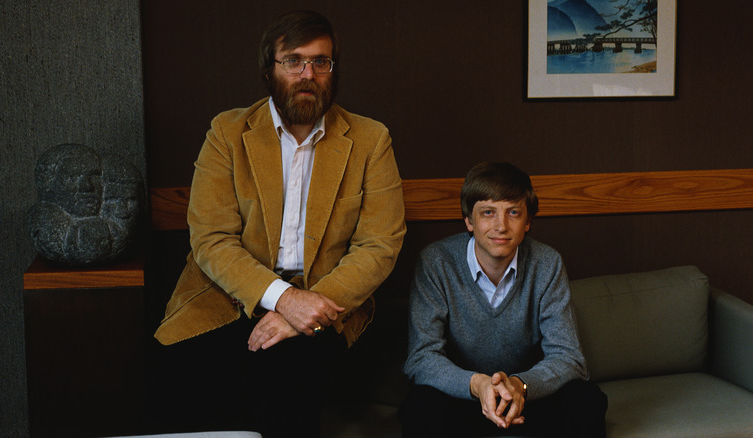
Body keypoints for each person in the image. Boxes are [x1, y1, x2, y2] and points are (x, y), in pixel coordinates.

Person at [151, 10, 406, 438]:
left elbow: (379, 246)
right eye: (293, 61)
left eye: (320, 62)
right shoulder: (227, 132)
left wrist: (302, 310)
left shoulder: (370, 140)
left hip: (327, 299)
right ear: (269, 69)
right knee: (178, 379)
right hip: (228, 295)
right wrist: (284, 299)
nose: (308, 74)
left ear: (333, 70)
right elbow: (212, 238)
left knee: (288, 373)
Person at [399, 162, 607, 437]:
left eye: (513, 212)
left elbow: (569, 358)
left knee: (586, 400)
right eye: (488, 213)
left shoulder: (547, 263)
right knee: (420, 406)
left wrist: (519, 386)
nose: (501, 226)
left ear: (527, 221)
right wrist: (478, 385)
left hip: (526, 398)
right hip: (464, 398)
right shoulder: (436, 262)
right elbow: (421, 358)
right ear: (469, 221)